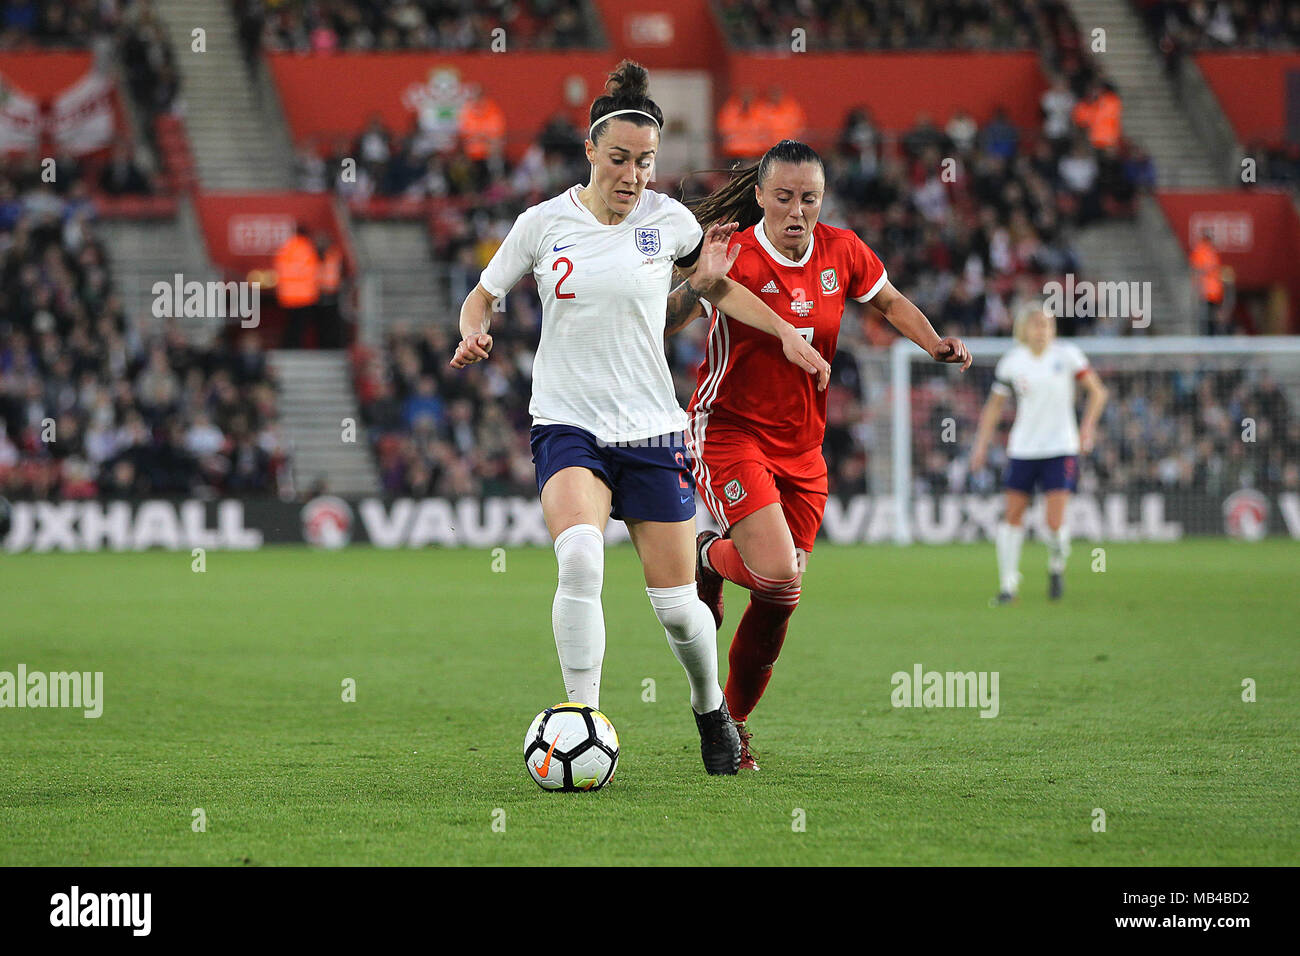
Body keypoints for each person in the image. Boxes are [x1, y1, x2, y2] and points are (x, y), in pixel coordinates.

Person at [448, 61, 831, 777]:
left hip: (653, 431)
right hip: (567, 423)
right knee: (581, 558)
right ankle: (581, 717)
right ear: (591, 152)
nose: (633, 175)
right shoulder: (543, 223)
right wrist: (472, 331)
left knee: (679, 609)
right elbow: (482, 292)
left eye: (646, 162)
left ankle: (709, 707)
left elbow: (706, 295)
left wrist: (780, 329)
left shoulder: (669, 222)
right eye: (620, 159)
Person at [664, 139, 972, 770]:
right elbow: (670, 319)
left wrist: (933, 342)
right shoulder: (736, 253)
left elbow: (886, 300)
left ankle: (733, 721)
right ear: (760, 197)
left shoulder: (843, 250)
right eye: (783, 197)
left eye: (809, 198)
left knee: (781, 596)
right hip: (730, 431)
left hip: (804, 449)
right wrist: (700, 280)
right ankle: (711, 557)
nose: (797, 210)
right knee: (779, 574)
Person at [970, 303, 1108, 605]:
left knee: (1054, 523)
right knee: (1012, 516)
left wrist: (1087, 428)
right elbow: (994, 407)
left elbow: (1098, 392)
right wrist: (981, 445)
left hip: (1061, 447)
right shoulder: (1012, 362)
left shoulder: (1067, 355)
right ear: (1024, 328)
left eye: (1046, 324)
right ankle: (1008, 586)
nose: (1042, 330)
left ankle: (1056, 565)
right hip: (1023, 448)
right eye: (1036, 324)